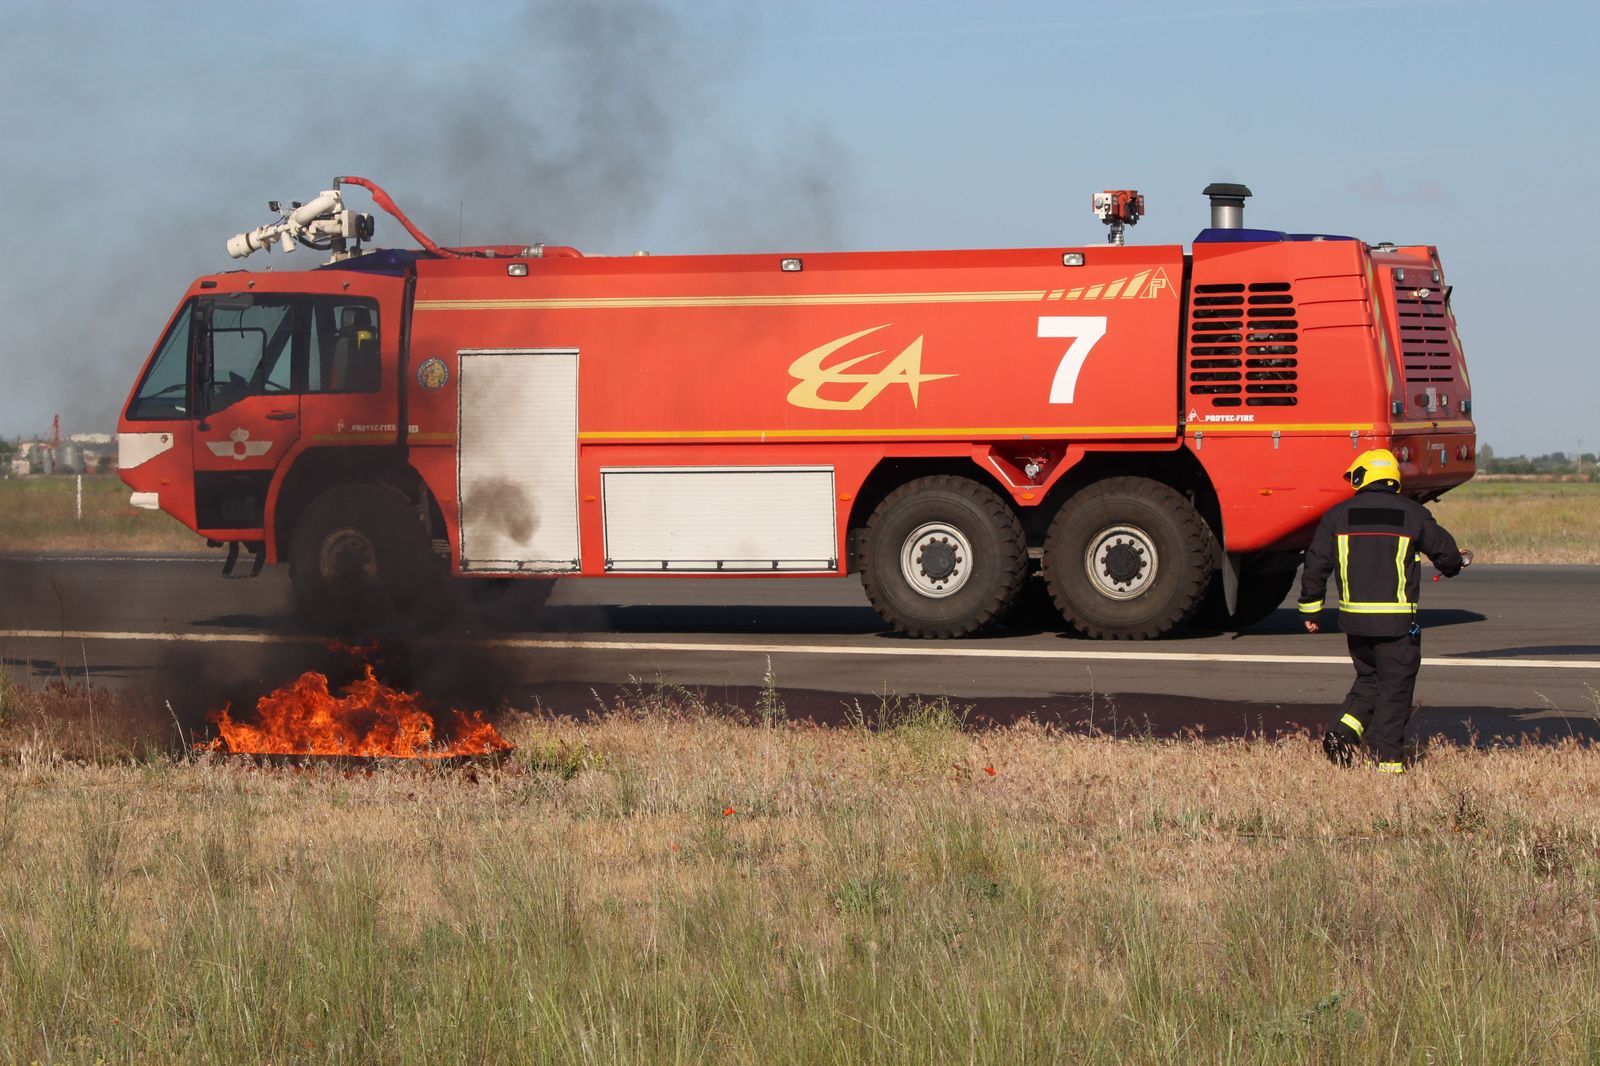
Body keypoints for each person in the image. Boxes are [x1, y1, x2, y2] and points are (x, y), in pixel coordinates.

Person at [1298, 448, 1472, 773]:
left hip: (1355, 624)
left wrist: (1311, 609)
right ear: (1392, 478)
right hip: (1396, 626)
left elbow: (1315, 565)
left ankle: (1343, 731)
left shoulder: (1338, 515)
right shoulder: (1412, 513)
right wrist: (1453, 565)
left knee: (1369, 680)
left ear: (1362, 477)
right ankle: (1387, 764)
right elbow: (1446, 555)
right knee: (1395, 689)